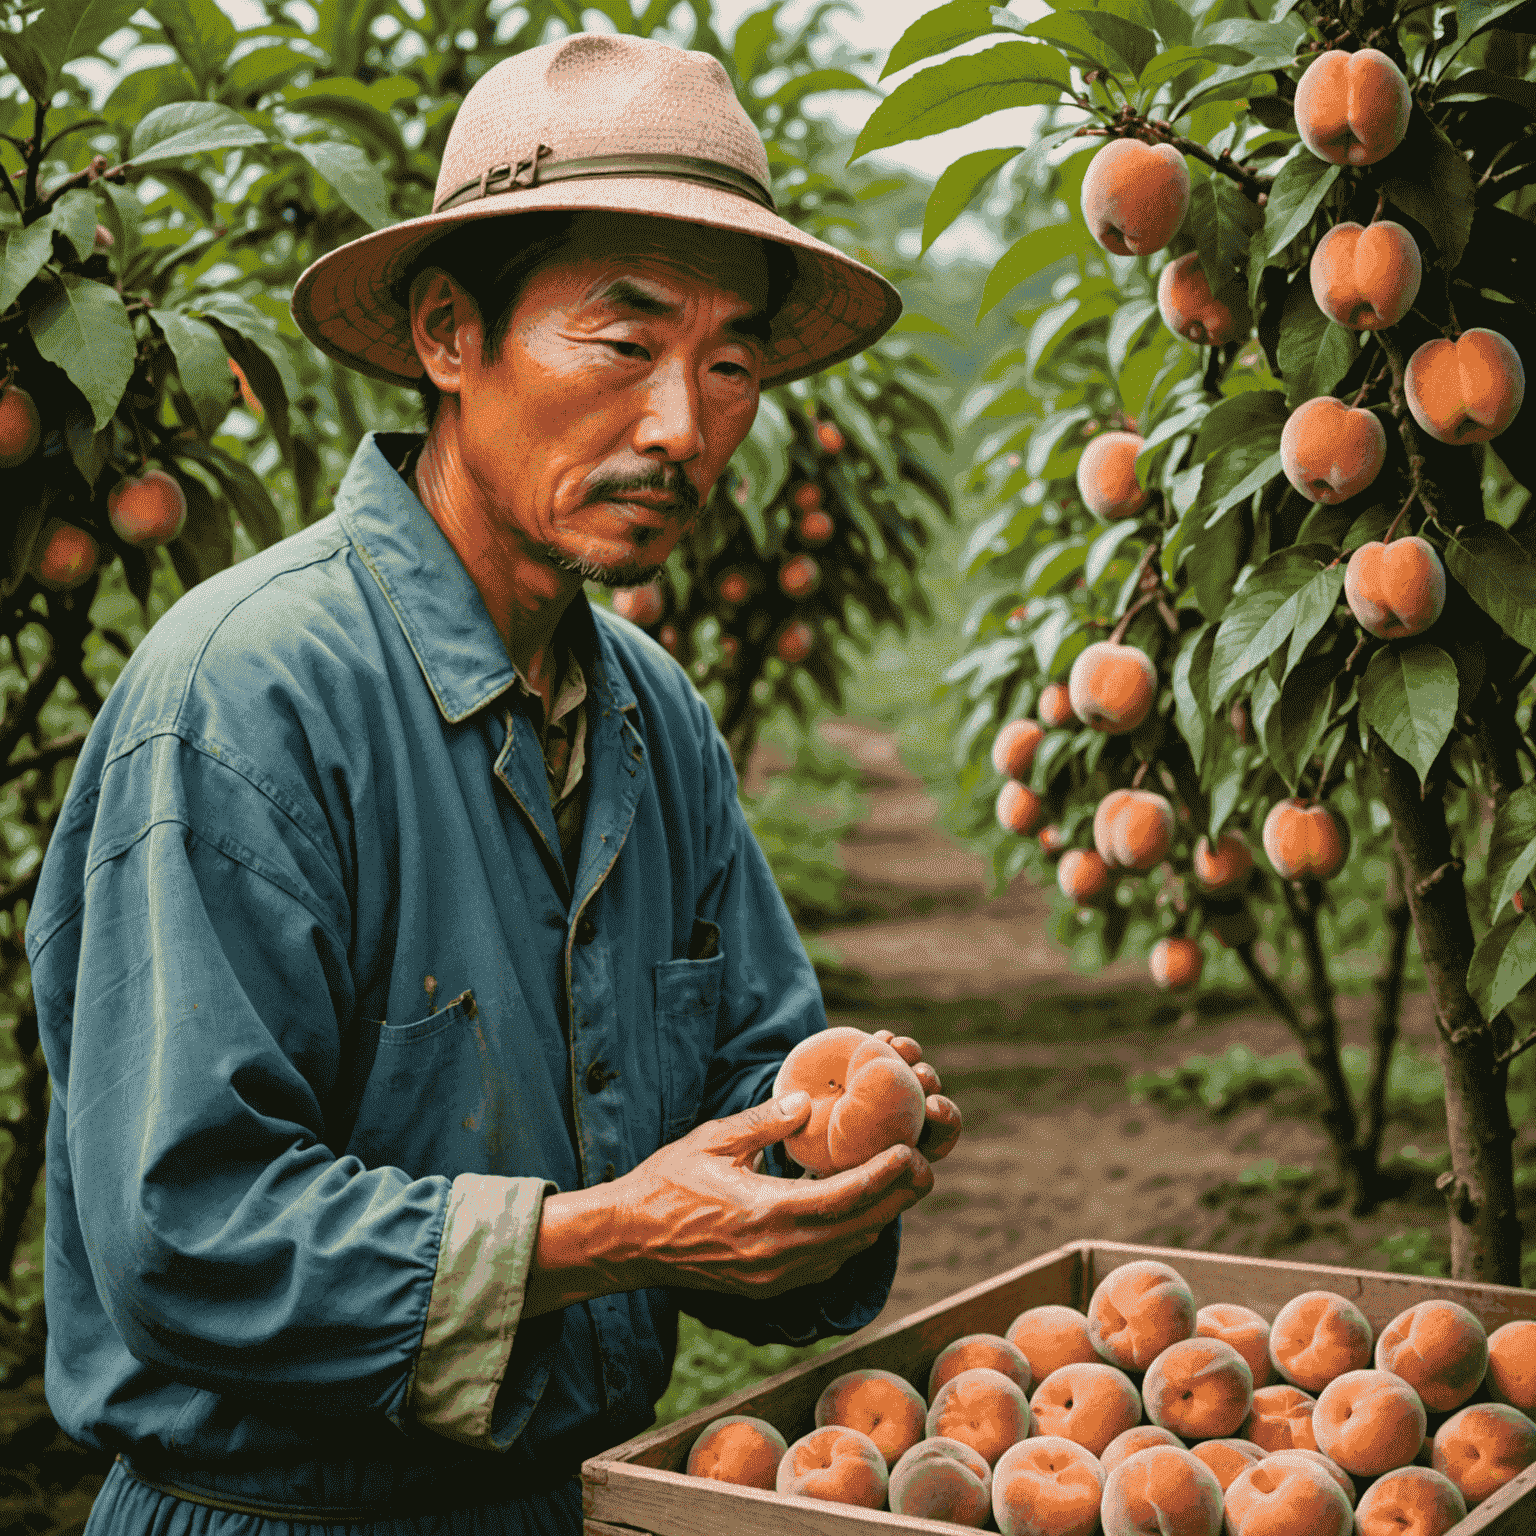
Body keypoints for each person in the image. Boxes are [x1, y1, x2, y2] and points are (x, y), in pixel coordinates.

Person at [26, 30, 962, 1536]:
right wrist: (613, 1233)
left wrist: (832, 1150)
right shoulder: (245, 699)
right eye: (622, 341)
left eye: (732, 366)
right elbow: (189, 1232)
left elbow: (754, 1074)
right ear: (451, 334)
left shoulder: (655, 719)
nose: (683, 426)